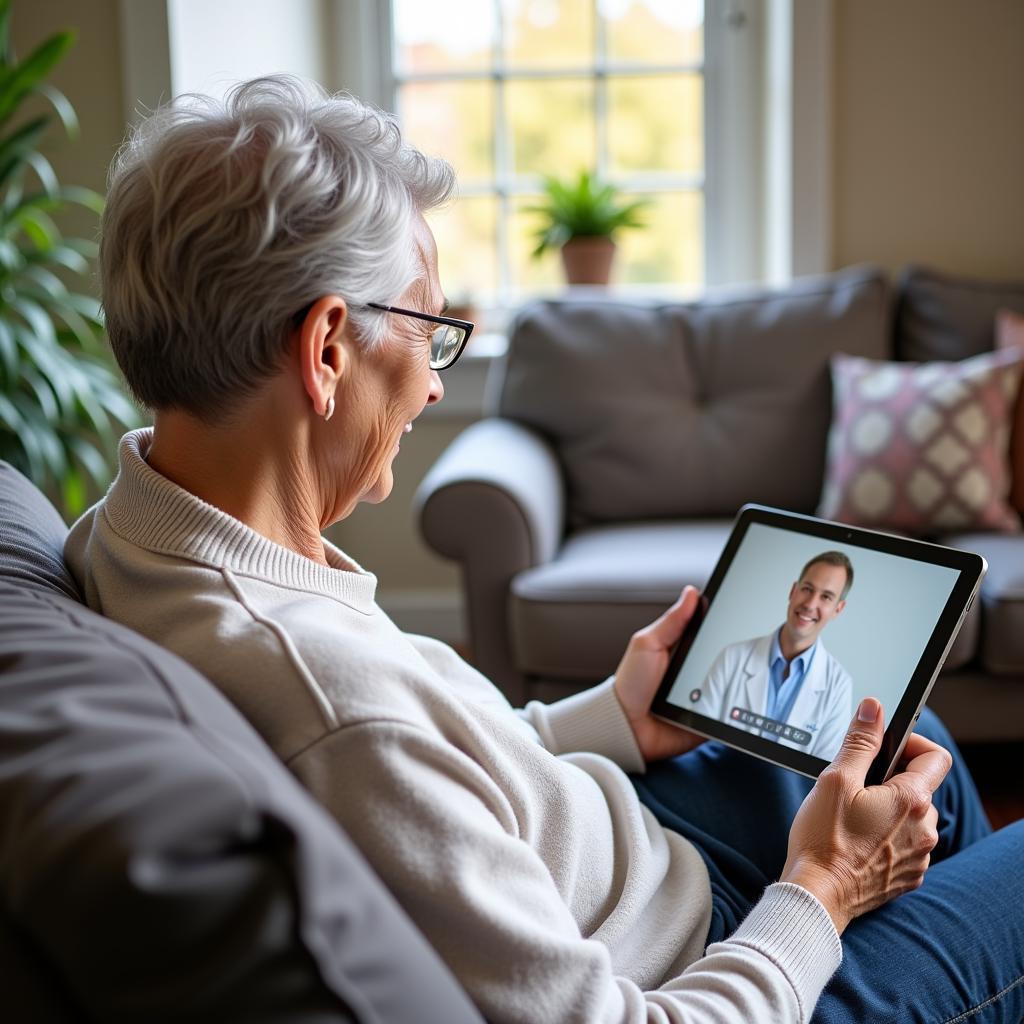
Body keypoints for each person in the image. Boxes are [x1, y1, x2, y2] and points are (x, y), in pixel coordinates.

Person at [65, 76, 1024, 1023]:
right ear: (326, 351)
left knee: (910, 730)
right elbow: (393, 764)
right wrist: (824, 885)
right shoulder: (333, 709)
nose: (435, 387)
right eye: (430, 329)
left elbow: (446, 782)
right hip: (698, 962)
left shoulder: (135, 535)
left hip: (639, 859)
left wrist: (612, 717)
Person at [693, 552, 854, 760]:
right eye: (807, 589)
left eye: (826, 597)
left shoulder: (839, 684)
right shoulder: (732, 657)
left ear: (837, 609)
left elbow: (823, 770)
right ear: (793, 591)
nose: (810, 604)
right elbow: (694, 739)